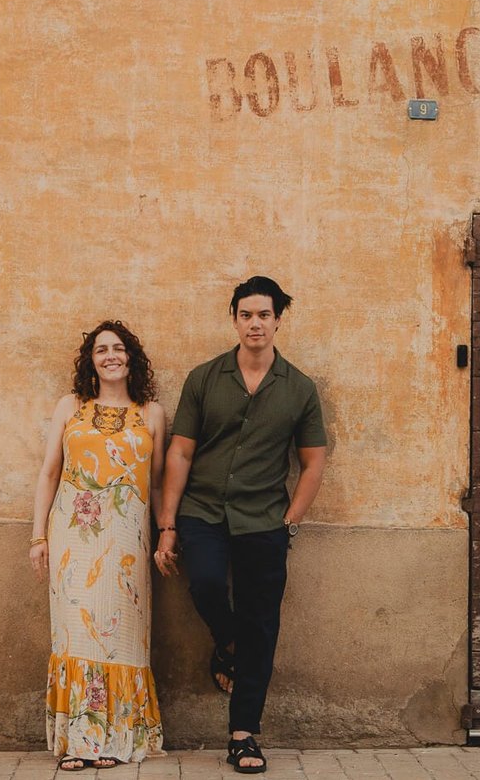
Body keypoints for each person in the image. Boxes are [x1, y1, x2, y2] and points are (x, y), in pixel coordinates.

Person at [154, 276, 328, 775]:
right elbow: (181, 451)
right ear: (234, 319)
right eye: (246, 314)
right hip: (202, 512)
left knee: (263, 624)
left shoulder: (299, 389)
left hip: (263, 521)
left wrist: (290, 522)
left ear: (278, 321)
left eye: (264, 315)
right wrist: (168, 523)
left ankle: (243, 735)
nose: (255, 323)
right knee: (207, 584)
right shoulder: (204, 378)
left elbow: (313, 463)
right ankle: (229, 643)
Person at [30, 321, 166, 770]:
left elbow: (160, 482)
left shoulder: (151, 414)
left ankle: (115, 739)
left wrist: (167, 531)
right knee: (76, 631)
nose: (111, 355)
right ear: (91, 361)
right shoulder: (71, 406)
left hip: (129, 538)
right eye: (101, 349)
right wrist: (39, 536)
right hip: (73, 536)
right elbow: (51, 471)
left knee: (120, 636)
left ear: (132, 358)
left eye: (119, 348)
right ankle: (80, 741)